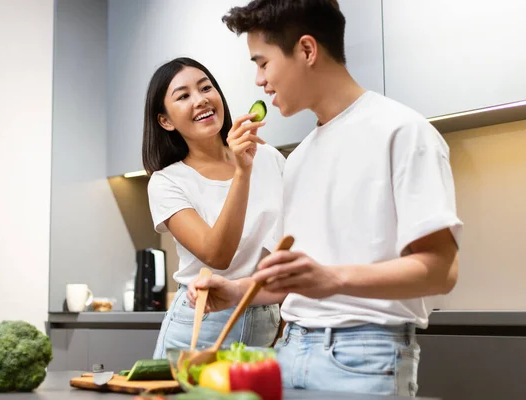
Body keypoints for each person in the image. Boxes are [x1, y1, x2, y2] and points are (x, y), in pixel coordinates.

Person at [187, 0, 463, 396]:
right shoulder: (297, 158)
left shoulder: (403, 131)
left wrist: (331, 279)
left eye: (262, 63)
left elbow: (442, 271)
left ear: (306, 50)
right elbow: (298, 283)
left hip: (365, 357)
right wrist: (236, 291)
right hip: (290, 350)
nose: (260, 81)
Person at [142, 57, 285, 359]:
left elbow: (290, 246)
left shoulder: (270, 158)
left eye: (206, 88)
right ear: (165, 121)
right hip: (200, 322)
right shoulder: (167, 182)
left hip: (267, 319)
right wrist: (242, 171)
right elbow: (217, 255)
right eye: (183, 96)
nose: (201, 100)